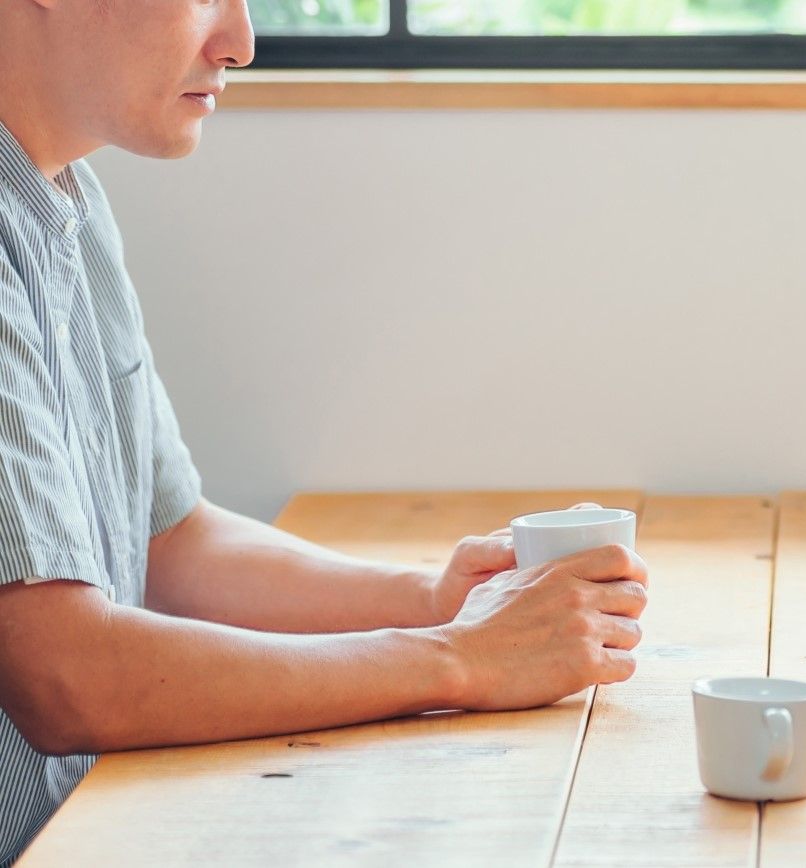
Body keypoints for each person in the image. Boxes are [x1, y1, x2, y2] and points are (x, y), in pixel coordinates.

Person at [0, 2, 648, 862]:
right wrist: (456, 659)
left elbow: (171, 542)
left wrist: (432, 600)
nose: (240, 44)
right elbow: (69, 677)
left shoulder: (64, 202)